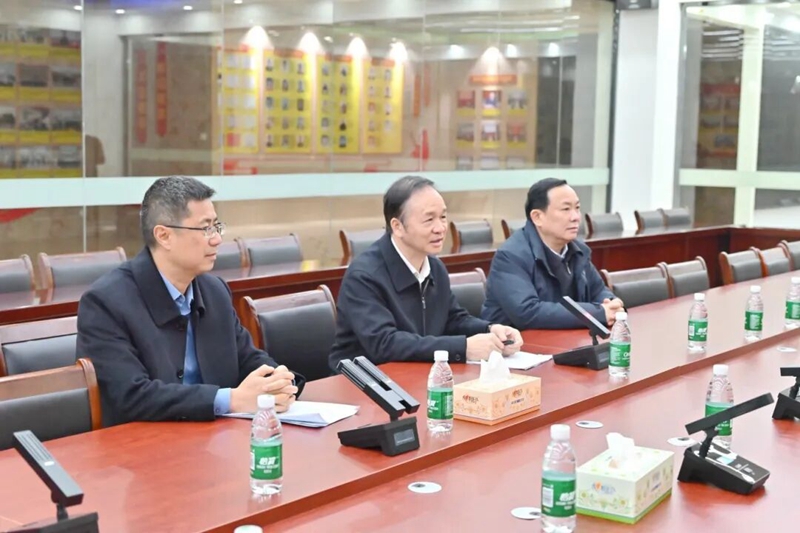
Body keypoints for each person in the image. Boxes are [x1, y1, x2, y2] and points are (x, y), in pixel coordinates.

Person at [77, 176, 302, 426]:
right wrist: (230, 400)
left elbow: (248, 358)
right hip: (144, 443)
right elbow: (131, 396)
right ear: (164, 236)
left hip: (214, 437)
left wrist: (277, 381)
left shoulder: (214, 291)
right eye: (205, 229)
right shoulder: (106, 302)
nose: (216, 239)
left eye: (216, 226)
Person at [329, 176, 523, 371]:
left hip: (419, 372)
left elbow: (452, 319)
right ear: (397, 226)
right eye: (429, 219)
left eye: (443, 217)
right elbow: (385, 344)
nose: (440, 228)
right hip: (365, 380)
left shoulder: (435, 267)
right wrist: (464, 348)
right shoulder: (364, 276)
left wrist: (490, 330)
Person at [482, 178, 624, 330]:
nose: (576, 217)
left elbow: (598, 290)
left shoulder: (578, 250)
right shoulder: (510, 256)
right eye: (566, 209)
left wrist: (612, 304)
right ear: (537, 217)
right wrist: (598, 313)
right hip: (517, 342)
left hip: (566, 338)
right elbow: (528, 312)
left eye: (577, 208)